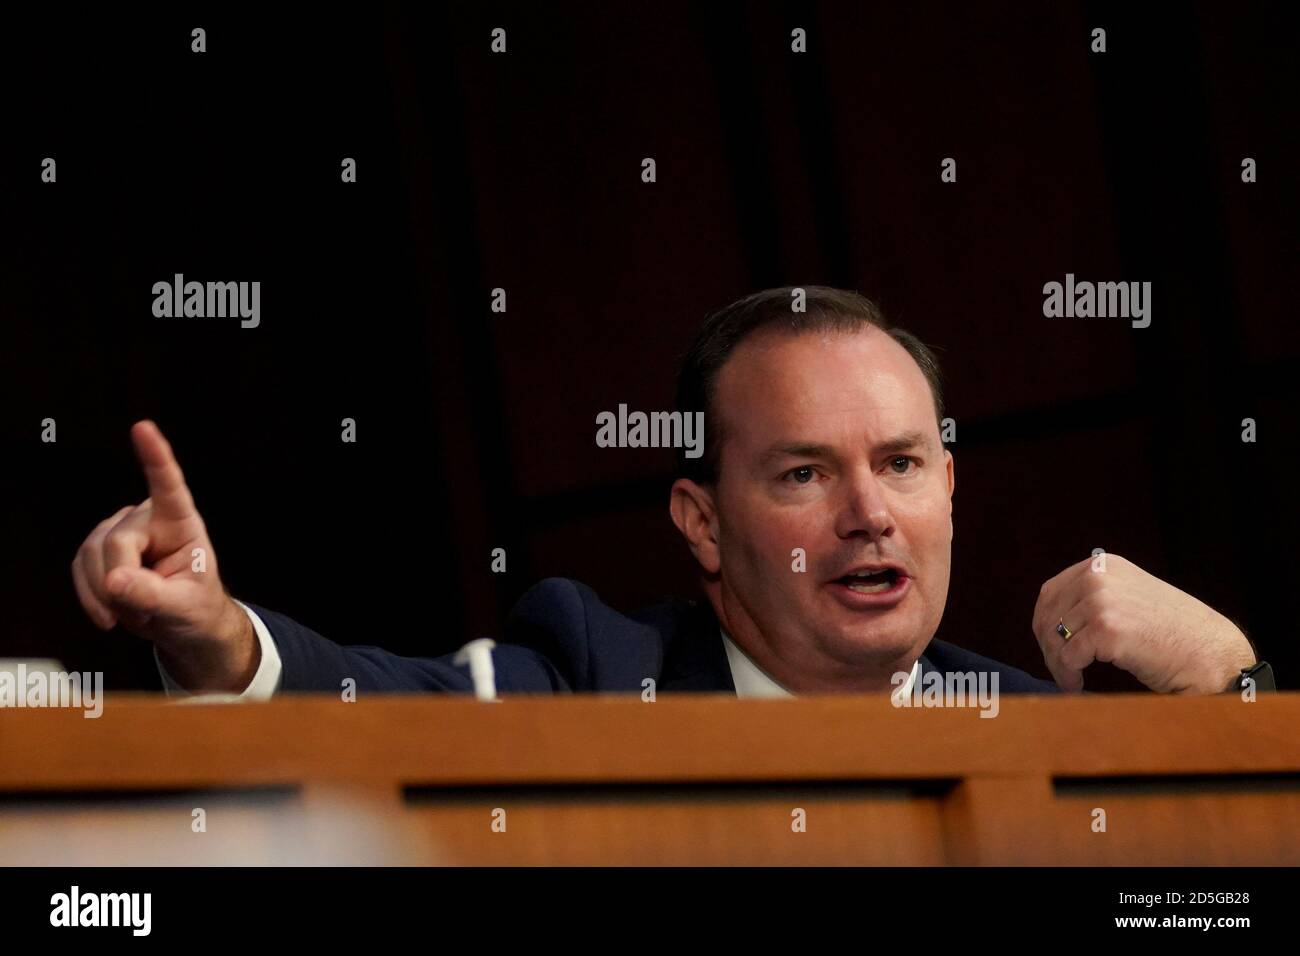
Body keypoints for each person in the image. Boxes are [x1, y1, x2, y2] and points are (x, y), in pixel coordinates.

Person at [70, 287, 1259, 699]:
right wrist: (221, 636)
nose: (867, 512)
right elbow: (370, 702)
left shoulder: (1040, 724)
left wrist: (1240, 692)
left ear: (947, 485)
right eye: (803, 471)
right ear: (700, 520)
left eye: (900, 463)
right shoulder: (588, 667)